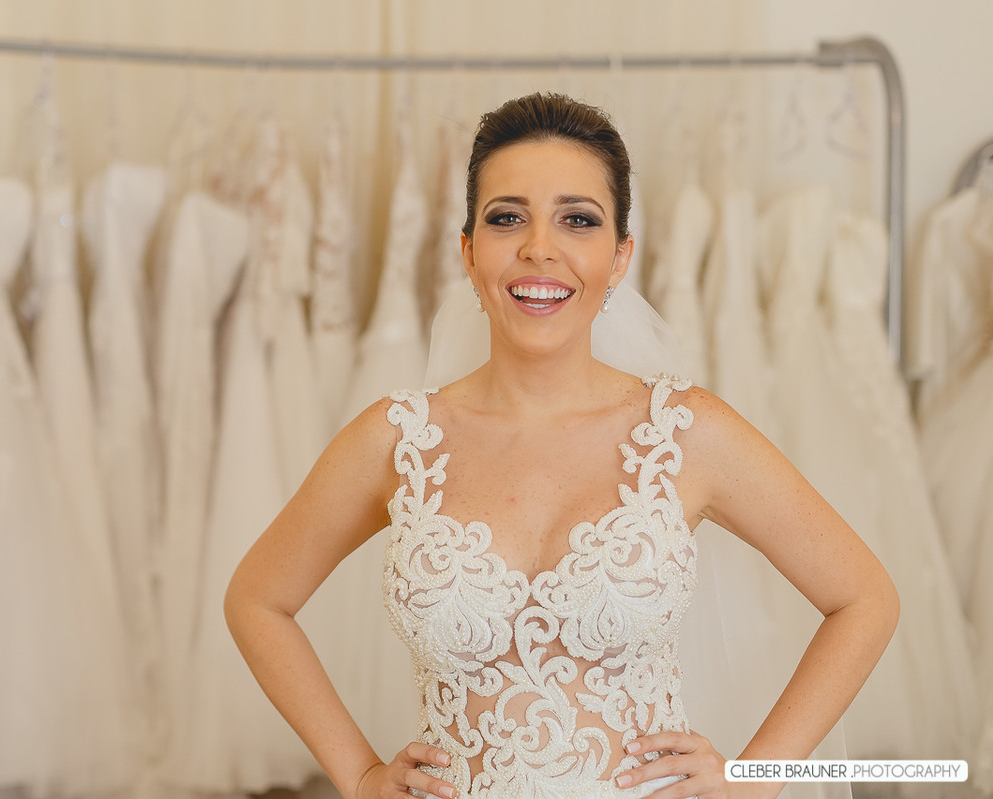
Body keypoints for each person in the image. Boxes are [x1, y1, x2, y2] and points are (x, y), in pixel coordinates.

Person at [225, 92, 899, 799]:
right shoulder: (398, 441)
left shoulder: (684, 432)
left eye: (577, 219)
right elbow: (256, 598)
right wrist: (360, 773)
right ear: (468, 251)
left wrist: (757, 777)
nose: (539, 247)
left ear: (619, 258)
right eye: (506, 217)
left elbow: (865, 597)